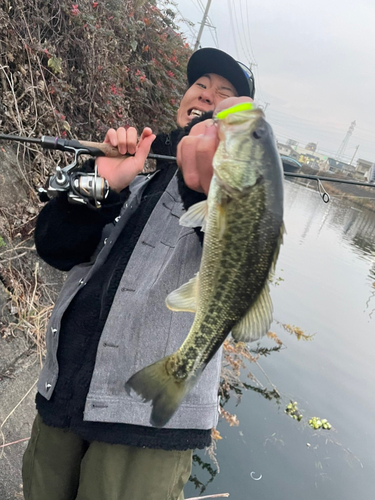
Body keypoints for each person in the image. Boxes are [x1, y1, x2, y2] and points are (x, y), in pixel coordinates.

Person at [22, 48, 255, 500]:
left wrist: (209, 191)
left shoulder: (239, 192)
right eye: (200, 86)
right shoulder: (140, 177)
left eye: (225, 95)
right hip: (65, 395)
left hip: (147, 422)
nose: (206, 96)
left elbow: (245, 276)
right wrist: (102, 184)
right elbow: (55, 248)